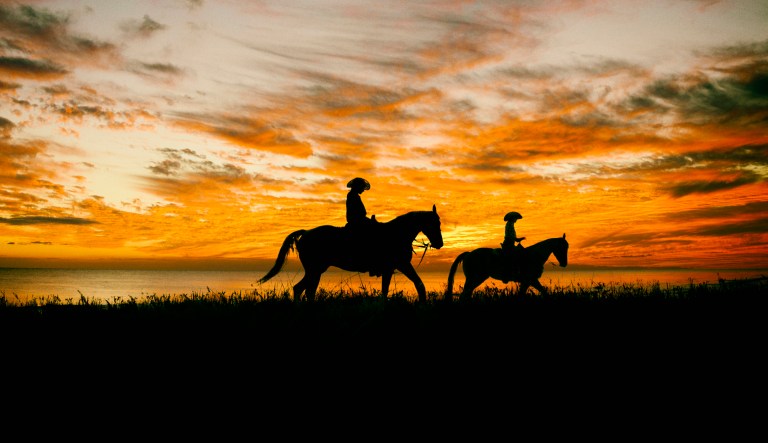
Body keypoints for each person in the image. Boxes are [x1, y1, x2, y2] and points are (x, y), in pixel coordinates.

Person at [345, 177, 381, 276]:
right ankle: (373, 265)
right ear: (357, 187)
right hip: (357, 222)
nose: (363, 190)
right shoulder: (353, 196)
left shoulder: (353, 195)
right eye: (362, 187)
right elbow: (357, 213)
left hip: (359, 220)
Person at [501, 211, 525, 275]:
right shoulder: (509, 224)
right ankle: (513, 270)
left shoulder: (510, 224)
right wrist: (517, 239)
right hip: (508, 243)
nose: (516, 219)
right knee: (516, 255)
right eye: (515, 218)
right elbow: (509, 235)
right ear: (512, 218)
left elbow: (511, 235)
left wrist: (517, 239)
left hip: (510, 243)